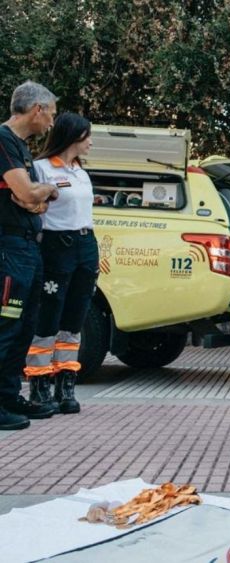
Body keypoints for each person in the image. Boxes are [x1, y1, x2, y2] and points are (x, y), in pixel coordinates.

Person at [22, 113, 98, 415]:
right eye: (88, 135)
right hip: (56, 246)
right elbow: (31, 205)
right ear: (74, 136)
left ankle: (66, 384)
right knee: (48, 315)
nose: (91, 142)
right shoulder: (42, 168)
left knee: (75, 316)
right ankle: (40, 383)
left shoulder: (80, 171)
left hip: (85, 245)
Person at [0, 81, 60, 430]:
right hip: (8, 247)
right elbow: (26, 193)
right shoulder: (3, 140)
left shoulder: (21, 148)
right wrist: (45, 189)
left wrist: (37, 195)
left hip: (27, 247)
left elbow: (34, 203)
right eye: (51, 114)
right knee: (6, 325)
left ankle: (9, 397)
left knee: (24, 326)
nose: (51, 122)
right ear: (37, 109)